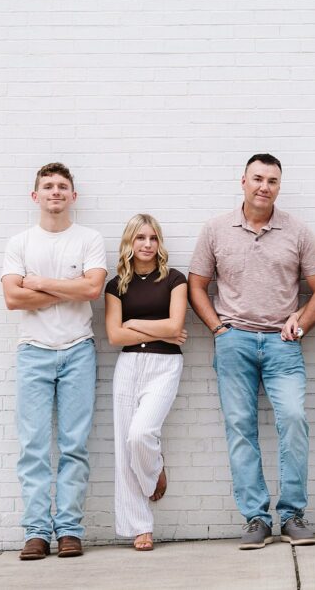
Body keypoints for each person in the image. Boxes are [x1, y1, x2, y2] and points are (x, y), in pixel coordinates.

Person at [188, 153, 315, 550]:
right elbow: (196, 284)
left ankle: (292, 515)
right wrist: (218, 328)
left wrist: (300, 322)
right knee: (240, 427)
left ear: (279, 186)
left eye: (271, 181)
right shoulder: (216, 229)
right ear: (243, 181)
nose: (264, 187)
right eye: (257, 178)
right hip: (234, 340)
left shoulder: (297, 231)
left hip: (281, 344)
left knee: (294, 419)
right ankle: (256, 517)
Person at [1, 162, 107, 560]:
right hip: (34, 351)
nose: (56, 192)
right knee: (33, 446)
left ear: (73, 196)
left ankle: (69, 530)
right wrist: (69, 289)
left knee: (74, 445)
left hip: (78, 349)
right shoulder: (20, 243)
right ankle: (36, 532)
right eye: (48, 186)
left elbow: (93, 289)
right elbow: (13, 298)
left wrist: (40, 283)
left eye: (62, 186)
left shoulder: (89, 239)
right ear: (36, 196)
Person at [104, 214, 188, 552]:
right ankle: (140, 527)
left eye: (153, 238)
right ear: (130, 242)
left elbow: (175, 327)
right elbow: (114, 336)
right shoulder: (116, 286)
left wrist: (133, 322)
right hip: (128, 366)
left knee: (140, 434)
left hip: (165, 365)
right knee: (124, 448)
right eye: (140, 238)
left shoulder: (174, 279)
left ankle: (153, 468)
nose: (148, 244)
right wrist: (158, 328)